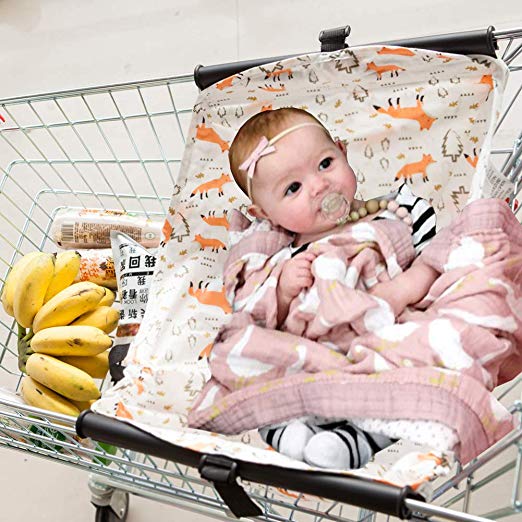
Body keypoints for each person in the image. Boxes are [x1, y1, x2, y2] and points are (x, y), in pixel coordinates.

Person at [225, 107, 439, 469]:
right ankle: (287, 432)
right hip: (304, 362)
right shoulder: (277, 257)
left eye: (325, 164)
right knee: (251, 367)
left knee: (407, 384)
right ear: (265, 214)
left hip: (374, 348)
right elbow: (249, 309)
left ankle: (348, 445)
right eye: (293, 188)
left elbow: (439, 262)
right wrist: (281, 290)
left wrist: (406, 286)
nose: (319, 185)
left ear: (342, 150)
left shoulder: (395, 215)